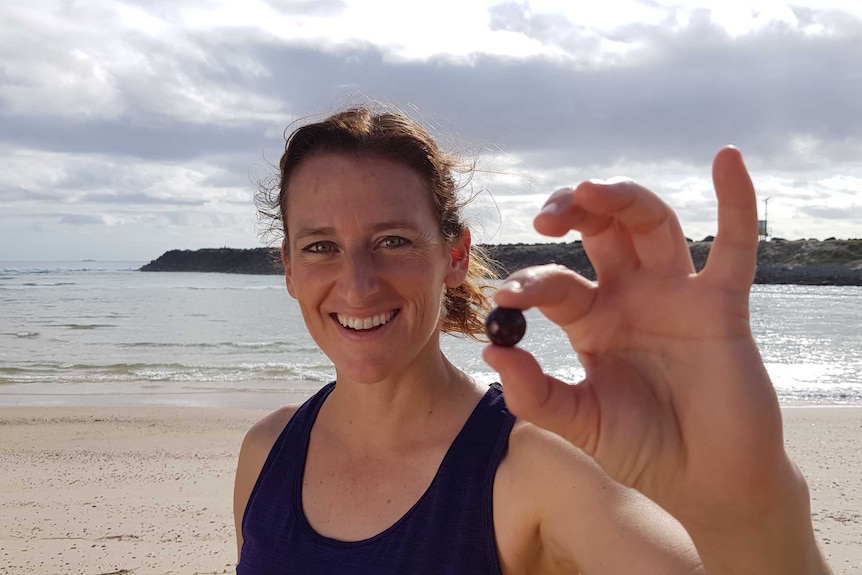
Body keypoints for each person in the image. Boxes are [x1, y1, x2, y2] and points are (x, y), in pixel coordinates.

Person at [233, 104, 833, 574]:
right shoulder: (267, 454)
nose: (358, 285)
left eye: (394, 240)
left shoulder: (536, 469)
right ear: (288, 268)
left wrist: (754, 507)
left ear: (455, 255)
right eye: (320, 247)